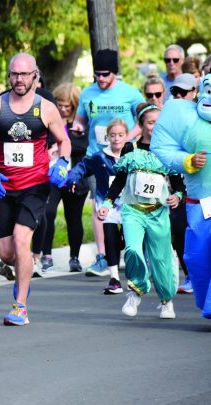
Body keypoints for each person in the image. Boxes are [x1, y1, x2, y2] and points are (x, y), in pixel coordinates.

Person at [0, 52, 71, 326]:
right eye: (14, 74)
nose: (19, 79)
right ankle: (23, 275)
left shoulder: (46, 108)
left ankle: (20, 305)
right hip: (4, 187)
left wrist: (62, 163)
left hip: (36, 186)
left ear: (35, 76)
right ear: (9, 76)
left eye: (24, 74)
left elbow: (64, 141)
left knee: (20, 239)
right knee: (6, 253)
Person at [99, 103, 183, 319]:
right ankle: (136, 291)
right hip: (133, 211)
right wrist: (107, 204)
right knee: (133, 250)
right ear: (142, 125)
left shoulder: (167, 151)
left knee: (160, 259)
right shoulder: (130, 149)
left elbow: (178, 185)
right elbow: (120, 180)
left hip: (157, 212)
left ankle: (166, 301)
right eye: (150, 122)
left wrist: (177, 197)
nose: (154, 127)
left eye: (158, 123)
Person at [71, 49, 145, 277]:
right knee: (99, 205)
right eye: (97, 75)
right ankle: (103, 256)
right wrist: (79, 127)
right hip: (98, 156)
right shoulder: (87, 93)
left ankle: (135, 250)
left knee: (129, 203)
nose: (100, 79)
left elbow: (145, 120)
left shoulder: (130, 93)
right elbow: (80, 119)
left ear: (115, 73)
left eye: (105, 74)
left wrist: (129, 137)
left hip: (125, 157)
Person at [151, 73, 211, 319]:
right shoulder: (182, 114)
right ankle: (205, 301)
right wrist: (187, 160)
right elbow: (162, 148)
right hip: (200, 202)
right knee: (196, 257)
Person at [67, 119, 128, 294]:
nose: (116, 139)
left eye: (120, 135)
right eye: (113, 135)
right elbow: (82, 167)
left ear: (127, 136)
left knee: (126, 242)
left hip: (129, 207)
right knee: (110, 239)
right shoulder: (100, 156)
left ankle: (135, 277)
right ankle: (114, 278)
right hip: (107, 207)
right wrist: (73, 178)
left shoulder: (132, 156)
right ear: (107, 137)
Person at [33, 82, 88, 273]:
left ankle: (74, 257)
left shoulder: (80, 123)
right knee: (47, 213)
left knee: (73, 217)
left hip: (74, 176)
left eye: (68, 106)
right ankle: (46, 255)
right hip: (51, 176)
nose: (64, 110)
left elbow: (85, 146)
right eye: (60, 105)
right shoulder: (49, 120)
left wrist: (64, 144)